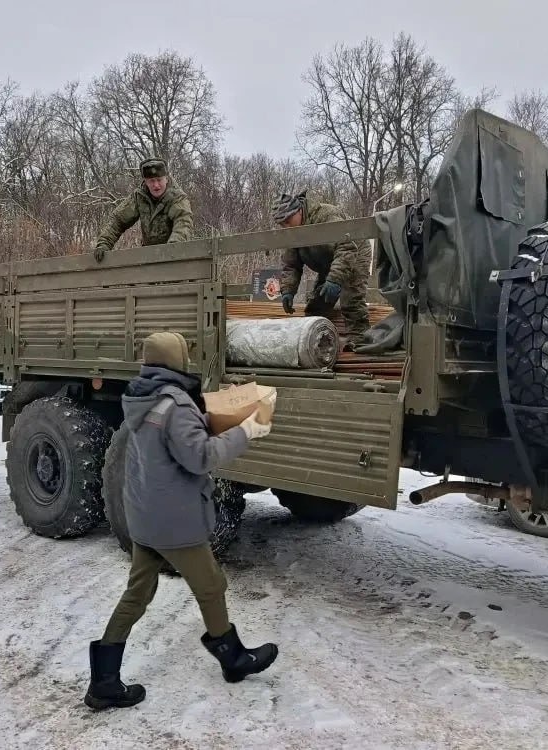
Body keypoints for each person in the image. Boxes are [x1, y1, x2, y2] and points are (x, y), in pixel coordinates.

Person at [84, 332, 278, 710]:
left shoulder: (142, 397)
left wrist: (214, 415)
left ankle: (103, 681)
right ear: (178, 361)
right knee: (211, 586)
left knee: (138, 595)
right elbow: (201, 457)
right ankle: (234, 659)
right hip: (174, 522)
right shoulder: (175, 404)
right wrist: (247, 429)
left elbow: (174, 437)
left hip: (146, 516)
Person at [270, 188, 372, 346]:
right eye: (282, 224)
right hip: (329, 260)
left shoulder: (326, 216)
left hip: (354, 251)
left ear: (298, 211)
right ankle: (315, 339)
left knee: (351, 299)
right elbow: (291, 265)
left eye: (288, 221)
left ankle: (360, 341)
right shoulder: (292, 233)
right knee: (317, 304)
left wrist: (335, 279)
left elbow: (346, 248)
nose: (286, 226)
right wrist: (288, 291)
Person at [93, 158, 194, 261]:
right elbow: (118, 220)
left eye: (159, 180)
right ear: (145, 182)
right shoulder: (139, 197)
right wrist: (104, 243)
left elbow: (183, 222)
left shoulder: (177, 198)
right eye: (151, 181)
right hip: (149, 256)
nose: (156, 185)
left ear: (166, 179)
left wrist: (173, 247)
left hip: (175, 256)